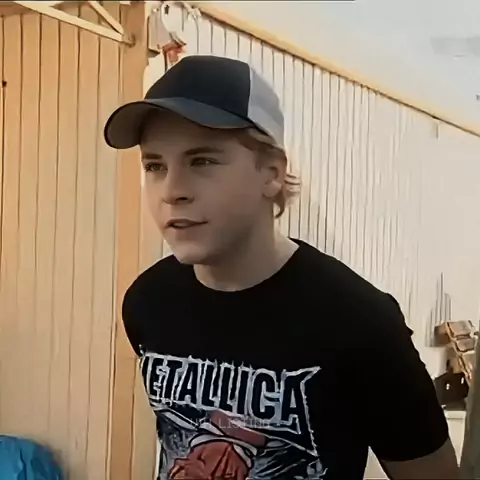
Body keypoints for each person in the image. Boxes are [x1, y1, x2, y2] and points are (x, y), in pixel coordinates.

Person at [104, 55, 459, 480]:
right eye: (154, 165)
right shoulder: (148, 303)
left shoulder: (359, 322)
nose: (171, 190)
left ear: (271, 173)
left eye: (202, 161)